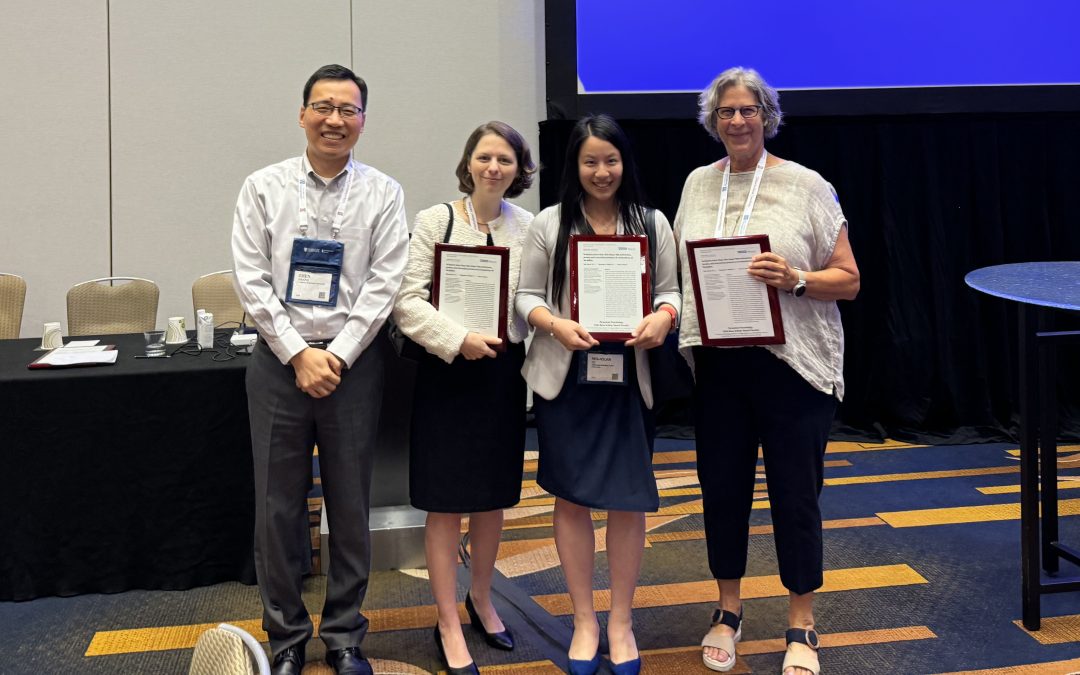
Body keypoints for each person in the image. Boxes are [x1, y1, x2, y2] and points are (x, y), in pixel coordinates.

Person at [673, 67, 860, 675]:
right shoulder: (698, 184)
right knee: (721, 489)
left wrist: (798, 279)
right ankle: (728, 611)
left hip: (792, 367)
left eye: (748, 110)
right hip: (720, 366)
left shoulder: (808, 186)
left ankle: (801, 623)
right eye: (725, 112)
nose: (736, 121)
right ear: (713, 120)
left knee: (794, 495)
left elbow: (849, 279)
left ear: (767, 116)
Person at [231, 64, 409, 675]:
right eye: (323, 107)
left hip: (352, 366)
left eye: (349, 110)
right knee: (276, 507)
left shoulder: (384, 192)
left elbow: (385, 284)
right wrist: (297, 353)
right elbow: (251, 281)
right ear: (302, 113)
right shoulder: (262, 186)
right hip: (279, 365)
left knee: (350, 503)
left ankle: (344, 636)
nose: (335, 120)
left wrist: (336, 355)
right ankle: (284, 638)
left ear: (363, 120)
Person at [516, 114, 680, 675]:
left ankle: (621, 621)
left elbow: (671, 290)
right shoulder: (549, 223)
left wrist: (664, 316)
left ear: (624, 162)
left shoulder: (651, 222)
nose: (601, 171)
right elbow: (526, 297)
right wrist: (555, 324)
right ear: (575, 166)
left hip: (627, 376)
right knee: (572, 496)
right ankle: (585, 619)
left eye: (610, 160)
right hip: (568, 377)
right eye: (590, 161)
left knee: (628, 499)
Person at [391, 121, 536, 675]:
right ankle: (447, 618)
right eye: (484, 157)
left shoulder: (529, 226)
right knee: (446, 501)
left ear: (520, 170)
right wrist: (459, 340)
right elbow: (407, 302)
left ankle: (482, 597)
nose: (493, 168)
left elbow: (531, 298)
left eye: (505, 159)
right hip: (447, 374)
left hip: (501, 374)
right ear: (468, 163)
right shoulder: (437, 220)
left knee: (492, 496)